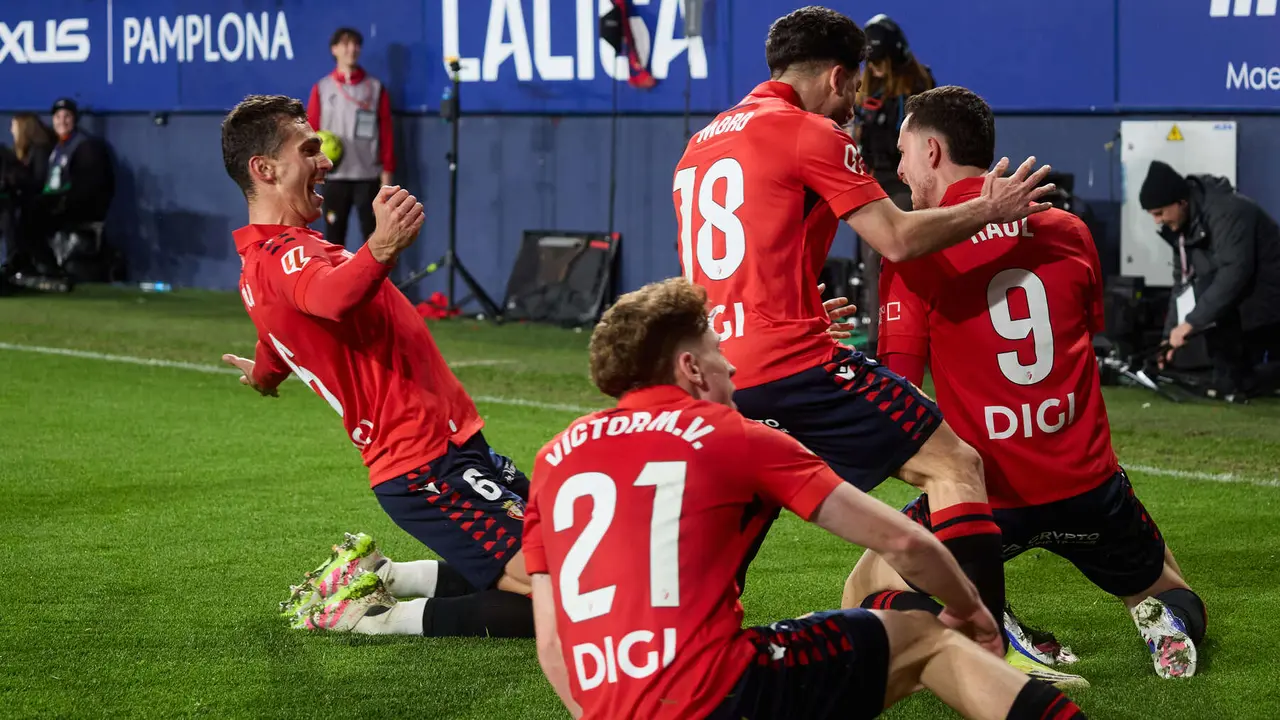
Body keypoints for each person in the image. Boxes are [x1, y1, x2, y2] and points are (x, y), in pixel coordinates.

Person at [523, 277, 1089, 720]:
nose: (732, 365)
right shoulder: (734, 435)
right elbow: (901, 540)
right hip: (724, 690)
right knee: (923, 638)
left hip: (608, 705)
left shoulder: (553, 459)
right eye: (718, 352)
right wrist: (973, 611)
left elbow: (552, 644)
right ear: (691, 368)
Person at [672, 5, 1056, 640]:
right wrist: (992, 207)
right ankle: (993, 643)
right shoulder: (809, 133)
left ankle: (675, 658)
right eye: (854, 85)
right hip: (794, 367)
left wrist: (792, 305)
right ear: (836, 77)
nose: (856, 99)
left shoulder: (700, 144)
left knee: (723, 551)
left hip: (721, 374)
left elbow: (717, 273)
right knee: (954, 465)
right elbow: (897, 239)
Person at [845, 86, 1208, 680]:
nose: (902, 168)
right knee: (1169, 589)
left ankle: (990, 622)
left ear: (933, 151)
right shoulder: (1068, 228)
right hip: (1087, 484)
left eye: (906, 151)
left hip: (986, 497)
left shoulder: (911, 251)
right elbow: (1085, 336)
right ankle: (1163, 625)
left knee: (864, 588)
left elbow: (900, 388)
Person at [218, 94, 532, 639]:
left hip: (448, 446)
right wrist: (382, 245)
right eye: (309, 149)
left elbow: (280, 333)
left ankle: (380, 574)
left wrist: (265, 375)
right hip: (425, 465)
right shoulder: (286, 257)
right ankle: (375, 619)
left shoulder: (266, 261)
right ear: (264, 169)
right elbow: (335, 297)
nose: (325, 161)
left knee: (561, 560)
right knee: (572, 597)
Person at [1140, 160, 1280, 400]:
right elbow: (1181, 285)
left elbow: (1234, 274)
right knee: (1232, 381)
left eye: (1160, 213)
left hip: (1269, 302)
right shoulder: (1182, 227)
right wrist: (1168, 338)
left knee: (1249, 378)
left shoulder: (1230, 212)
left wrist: (1191, 323)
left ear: (1181, 202)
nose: (1157, 221)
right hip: (1243, 307)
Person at [853, 13, 936, 353]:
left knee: (890, 256)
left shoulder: (919, 88)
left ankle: (906, 338)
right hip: (874, 183)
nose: (873, 69)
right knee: (872, 261)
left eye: (880, 62)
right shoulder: (864, 93)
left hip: (906, 185)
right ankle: (880, 340)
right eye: (869, 63)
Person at [7, 99, 114, 284]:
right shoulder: (58, 147)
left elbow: (89, 187)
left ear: (74, 119)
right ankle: (31, 265)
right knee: (21, 211)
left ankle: (50, 269)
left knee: (30, 215)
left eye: (67, 116)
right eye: (58, 117)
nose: (62, 121)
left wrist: (61, 201)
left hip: (75, 208)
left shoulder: (85, 146)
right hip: (56, 202)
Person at [307, 27, 396, 249]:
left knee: (374, 240)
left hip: (368, 176)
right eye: (345, 44)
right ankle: (335, 284)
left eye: (356, 44)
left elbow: (386, 132)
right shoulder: (322, 88)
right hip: (334, 177)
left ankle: (377, 285)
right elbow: (310, 133)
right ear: (334, 49)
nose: (351, 49)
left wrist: (387, 175)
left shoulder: (375, 88)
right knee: (334, 240)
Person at [1, 113, 55, 272]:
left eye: (14, 126)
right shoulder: (18, 153)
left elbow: (38, 181)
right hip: (20, 202)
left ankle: (16, 262)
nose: (11, 130)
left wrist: (13, 180)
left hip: (39, 205)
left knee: (8, 216)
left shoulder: (39, 150)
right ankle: (14, 260)